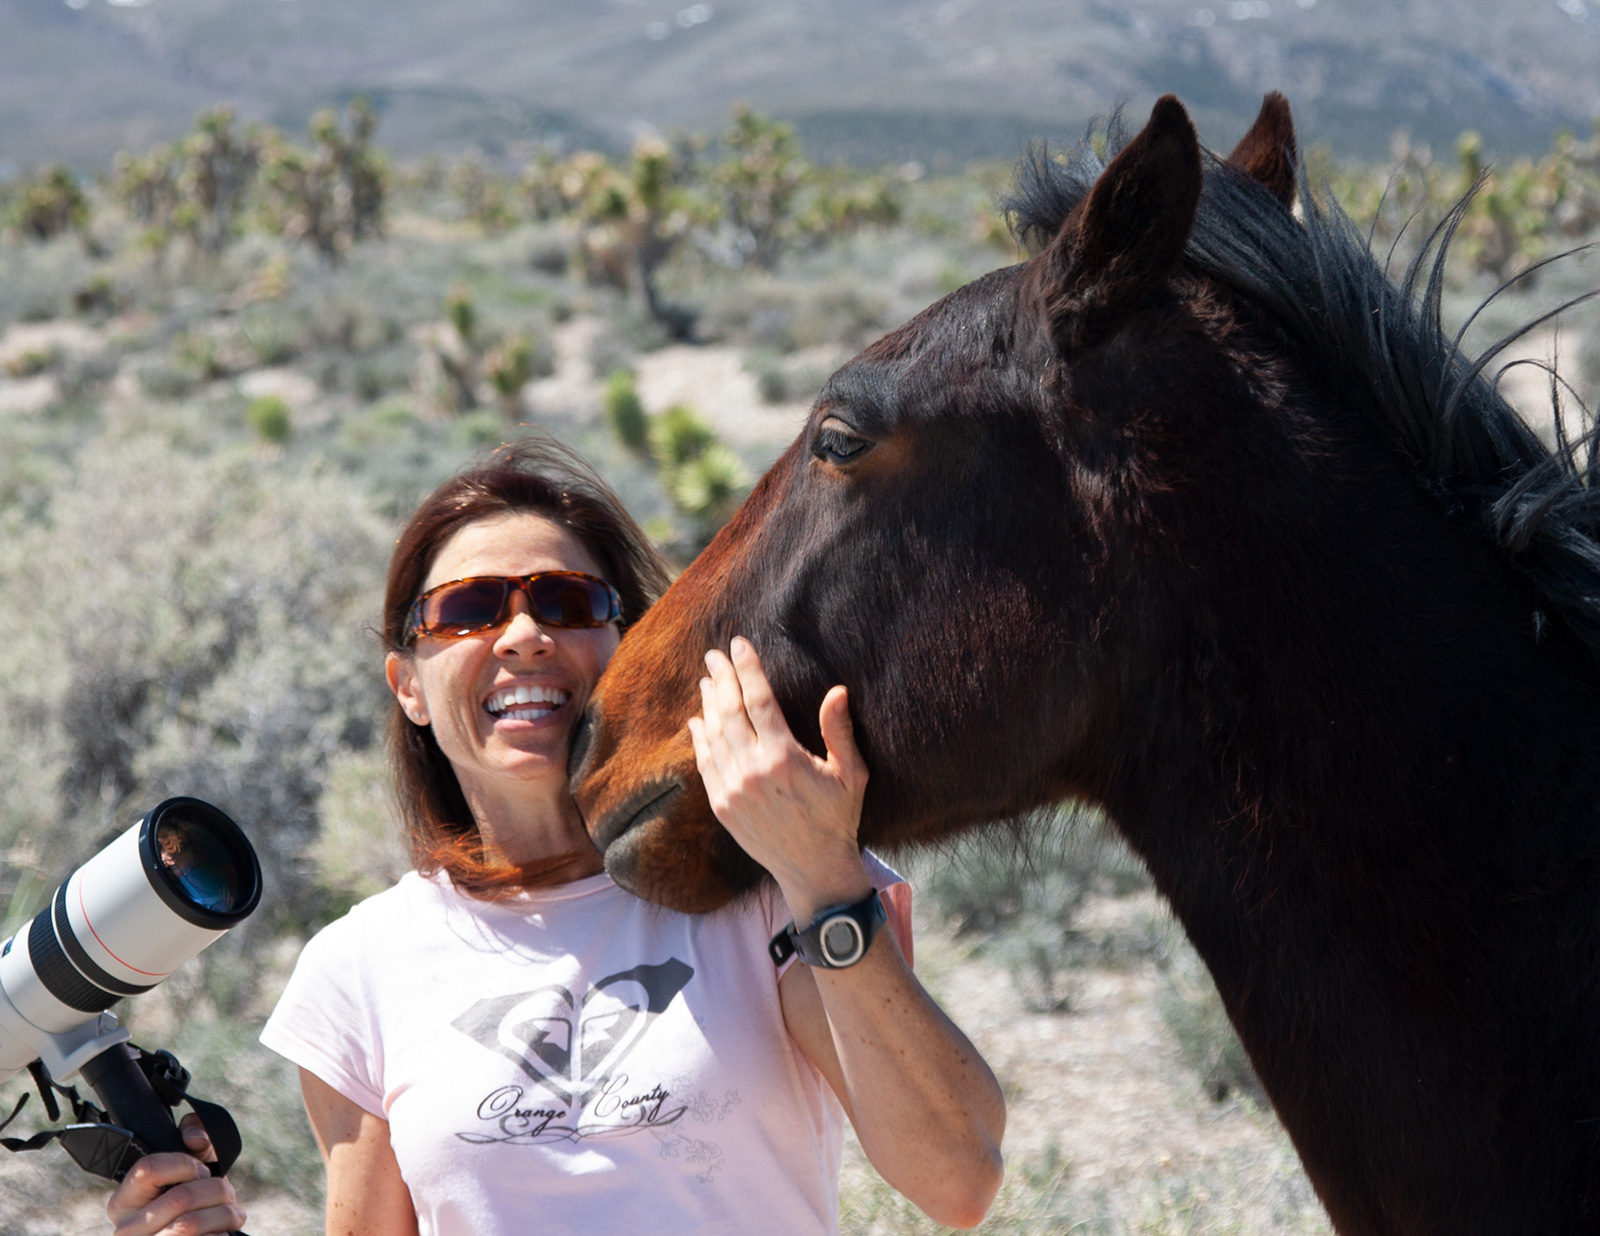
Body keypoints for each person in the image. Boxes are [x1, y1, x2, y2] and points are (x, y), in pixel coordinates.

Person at [106, 439, 1005, 1236]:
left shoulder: (758, 881)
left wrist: (820, 871)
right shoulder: (361, 967)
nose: (526, 635)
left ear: (632, 643)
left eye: (569, 601)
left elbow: (957, 1178)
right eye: (470, 610)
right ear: (409, 686)